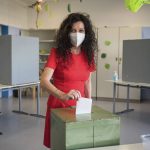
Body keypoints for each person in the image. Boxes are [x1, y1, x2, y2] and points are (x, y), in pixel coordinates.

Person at [40, 12, 97, 148]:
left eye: (81, 30)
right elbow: (44, 80)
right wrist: (63, 95)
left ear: (86, 33)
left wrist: (89, 103)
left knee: (78, 143)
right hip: (59, 107)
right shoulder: (57, 53)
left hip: (79, 108)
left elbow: (87, 81)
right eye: (73, 30)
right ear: (66, 32)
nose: (77, 34)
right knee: (59, 144)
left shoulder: (88, 55)